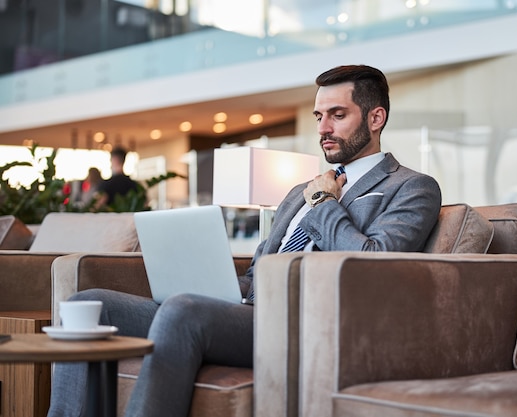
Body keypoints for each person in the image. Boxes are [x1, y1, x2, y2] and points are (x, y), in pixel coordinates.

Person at [47, 64, 442, 417]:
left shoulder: (411, 187)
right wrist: (213, 284)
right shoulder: (298, 191)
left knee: (184, 311)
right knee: (87, 305)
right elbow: (257, 271)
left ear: (376, 118)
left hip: (304, 322)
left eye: (338, 115)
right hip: (248, 310)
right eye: (319, 116)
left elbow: (373, 265)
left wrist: (323, 202)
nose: (323, 128)